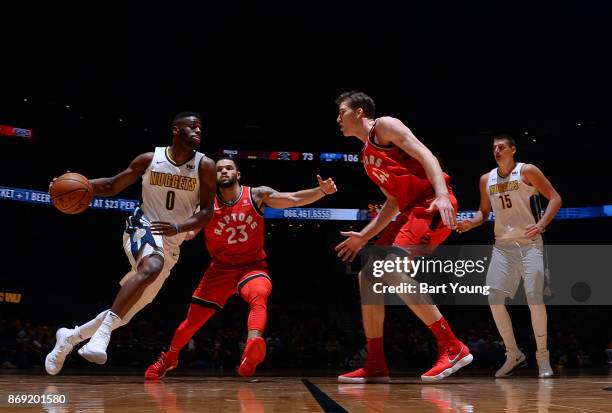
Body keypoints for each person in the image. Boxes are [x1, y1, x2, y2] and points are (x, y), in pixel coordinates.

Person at [45, 112, 216, 375]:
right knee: (151, 267)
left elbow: (206, 213)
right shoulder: (150, 159)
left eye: (200, 127)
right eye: (191, 126)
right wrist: (68, 186)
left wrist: (180, 227)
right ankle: (102, 337)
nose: (197, 130)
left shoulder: (205, 166)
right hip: (143, 225)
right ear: (175, 129)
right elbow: (112, 185)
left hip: (172, 240)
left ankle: (69, 337)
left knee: (129, 309)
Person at [144, 157, 337, 379]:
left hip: (251, 266)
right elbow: (189, 233)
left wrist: (320, 191)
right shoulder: (206, 204)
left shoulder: (257, 195)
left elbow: (292, 199)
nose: (224, 171)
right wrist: (172, 231)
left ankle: (251, 348)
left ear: (238, 174)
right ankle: (169, 358)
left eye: (228, 168)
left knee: (259, 295)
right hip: (219, 270)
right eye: (219, 169)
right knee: (191, 323)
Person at [334, 90, 472, 383]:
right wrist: (363, 236)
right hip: (410, 209)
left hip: (430, 204)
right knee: (367, 276)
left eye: (341, 112)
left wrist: (442, 194)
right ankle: (375, 363)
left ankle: (452, 346)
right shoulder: (366, 157)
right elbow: (393, 202)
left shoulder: (385, 126)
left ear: (359, 112)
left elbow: (426, 155)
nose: (338, 119)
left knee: (390, 270)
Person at [456, 134, 561, 377]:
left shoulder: (528, 170)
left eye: (502, 147)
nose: (497, 151)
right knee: (493, 298)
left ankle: (542, 357)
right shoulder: (486, 179)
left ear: (513, 150)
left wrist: (543, 223)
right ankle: (513, 353)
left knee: (534, 298)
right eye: (494, 148)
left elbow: (555, 198)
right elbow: (483, 213)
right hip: (502, 246)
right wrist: (470, 223)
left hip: (530, 244)